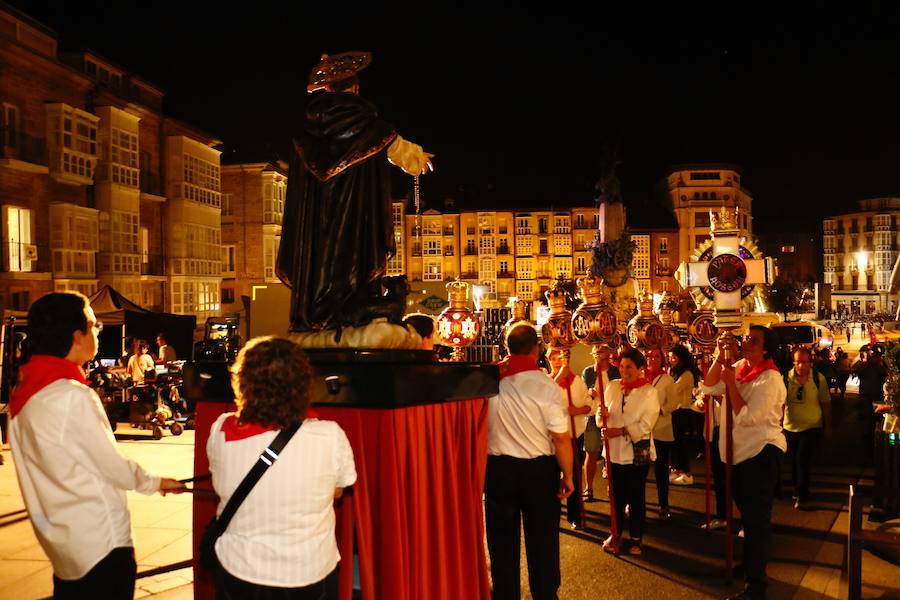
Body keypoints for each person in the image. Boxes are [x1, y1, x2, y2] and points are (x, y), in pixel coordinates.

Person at [8, 292, 184, 599]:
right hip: (100, 546)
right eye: (94, 325)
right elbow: (111, 465)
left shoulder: (24, 395)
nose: (98, 331)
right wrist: (155, 482)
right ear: (77, 336)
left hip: (64, 552)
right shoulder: (72, 396)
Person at [276, 51, 432, 336]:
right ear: (355, 88)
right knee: (355, 258)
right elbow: (398, 150)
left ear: (327, 88)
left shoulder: (305, 132)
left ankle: (315, 313)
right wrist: (417, 158)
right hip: (355, 214)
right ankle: (353, 312)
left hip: (316, 219)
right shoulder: (368, 126)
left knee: (317, 258)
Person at [207, 336, 356, 598]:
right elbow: (337, 491)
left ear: (242, 383)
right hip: (309, 572)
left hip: (240, 570)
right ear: (303, 384)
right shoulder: (329, 436)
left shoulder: (221, 430)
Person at [485, 322, 573, 600]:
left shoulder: (490, 380)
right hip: (538, 472)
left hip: (498, 471)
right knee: (543, 539)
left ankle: (505, 594)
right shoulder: (547, 386)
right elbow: (561, 438)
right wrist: (569, 475)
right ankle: (545, 594)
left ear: (507, 348)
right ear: (536, 350)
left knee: (501, 542)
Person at [702, 326, 787, 600]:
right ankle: (750, 566)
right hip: (738, 454)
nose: (746, 342)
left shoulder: (771, 379)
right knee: (748, 520)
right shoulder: (738, 366)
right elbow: (708, 386)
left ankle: (756, 585)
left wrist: (730, 384)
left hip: (760, 454)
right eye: (746, 337)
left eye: (753, 340)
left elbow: (748, 416)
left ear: (765, 349)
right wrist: (720, 355)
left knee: (756, 522)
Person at [599, 347, 660, 555]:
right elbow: (601, 413)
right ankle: (615, 533)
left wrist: (620, 431)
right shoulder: (613, 387)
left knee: (635, 497)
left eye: (630, 367)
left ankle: (636, 537)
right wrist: (602, 415)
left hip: (636, 452)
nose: (625, 371)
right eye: (622, 366)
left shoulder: (649, 392)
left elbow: (647, 423)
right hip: (614, 452)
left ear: (640, 368)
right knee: (616, 496)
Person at [546, 347, 592, 529]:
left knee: (573, 476)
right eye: (553, 358)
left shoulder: (578, 382)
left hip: (573, 436)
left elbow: (589, 404)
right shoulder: (546, 382)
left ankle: (575, 515)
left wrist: (577, 410)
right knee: (551, 478)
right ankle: (552, 515)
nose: (557, 362)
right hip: (551, 439)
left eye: (561, 358)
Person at [783, 347, 831, 510]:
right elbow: (780, 403)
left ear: (810, 363)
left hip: (812, 426)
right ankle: (797, 488)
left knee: (802, 459)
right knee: (794, 461)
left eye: (804, 362)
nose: (800, 366)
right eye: (797, 362)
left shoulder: (818, 379)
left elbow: (826, 403)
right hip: (790, 427)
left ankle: (803, 495)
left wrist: (828, 425)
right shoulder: (785, 378)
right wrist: (779, 424)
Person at [581, 348, 620, 501]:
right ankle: (588, 487)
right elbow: (584, 396)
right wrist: (591, 395)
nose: (600, 361)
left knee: (611, 454)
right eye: (596, 356)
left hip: (611, 416)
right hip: (592, 416)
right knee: (591, 452)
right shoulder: (588, 372)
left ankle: (612, 487)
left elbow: (618, 395)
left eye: (603, 358)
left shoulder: (615, 372)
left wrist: (599, 395)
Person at [645, 346, 678, 520]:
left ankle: (663, 504)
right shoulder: (640, 377)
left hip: (661, 429)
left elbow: (674, 403)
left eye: (657, 356)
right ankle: (635, 503)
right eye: (650, 355)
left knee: (661, 471)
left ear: (662, 359)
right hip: (642, 431)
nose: (653, 359)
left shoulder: (667, 380)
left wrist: (660, 410)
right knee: (639, 470)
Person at [669, 344, 702, 486]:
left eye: (674, 357)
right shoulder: (676, 372)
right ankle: (678, 469)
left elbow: (674, 390)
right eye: (670, 357)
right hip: (676, 411)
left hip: (682, 411)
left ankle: (686, 471)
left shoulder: (687, 374)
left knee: (679, 442)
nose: (671, 360)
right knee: (676, 442)